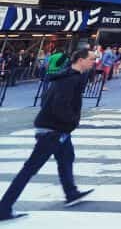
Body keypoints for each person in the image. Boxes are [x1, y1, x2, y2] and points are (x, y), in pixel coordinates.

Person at [0, 48, 94, 221]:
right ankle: (4, 208)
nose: (93, 62)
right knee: (30, 169)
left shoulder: (67, 76)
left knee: (66, 158)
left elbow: (46, 99)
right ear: (81, 60)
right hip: (53, 130)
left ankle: (71, 193)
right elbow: (59, 105)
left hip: (56, 128)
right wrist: (72, 121)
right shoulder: (70, 79)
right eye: (91, 59)